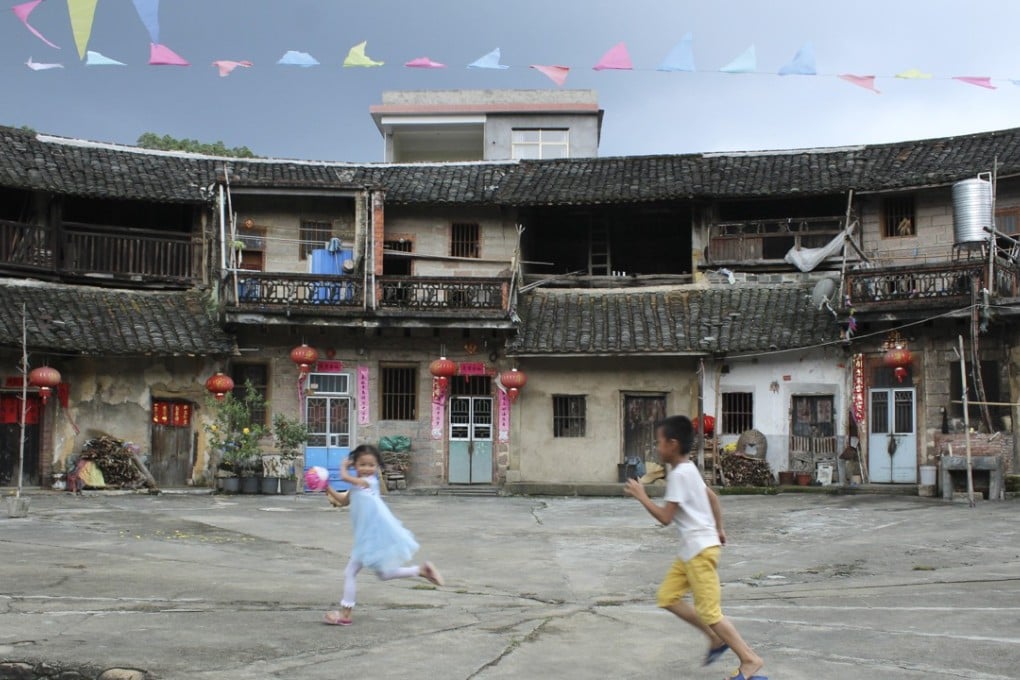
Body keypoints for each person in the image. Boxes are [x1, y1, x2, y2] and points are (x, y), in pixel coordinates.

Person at [624, 415, 766, 680]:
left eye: (659, 442)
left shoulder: (680, 474)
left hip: (700, 551)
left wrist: (642, 497)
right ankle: (714, 638)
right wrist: (720, 528)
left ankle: (750, 660)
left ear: (673, 444)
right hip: (692, 549)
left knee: (710, 612)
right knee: (667, 597)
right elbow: (711, 496)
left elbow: (666, 518)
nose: (657, 448)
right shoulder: (689, 469)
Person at [323, 444, 443, 626]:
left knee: (350, 572)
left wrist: (343, 467)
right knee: (384, 574)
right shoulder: (356, 487)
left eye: (371, 465)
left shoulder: (368, 483)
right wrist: (326, 487)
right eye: (363, 464)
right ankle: (420, 571)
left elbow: (345, 477)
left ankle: (346, 614)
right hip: (368, 537)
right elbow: (342, 501)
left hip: (372, 537)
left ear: (377, 467)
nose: (367, 469)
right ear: (356, 465)